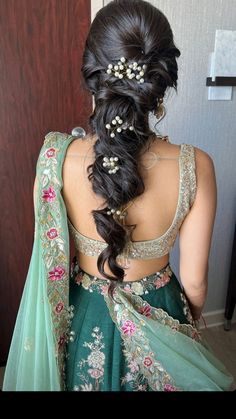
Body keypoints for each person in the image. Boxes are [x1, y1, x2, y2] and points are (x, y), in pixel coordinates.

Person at [3, 0, 234, 391]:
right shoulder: (196, 166)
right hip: (161, 313)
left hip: (85, 318)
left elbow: (50, 263)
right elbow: (195, 283)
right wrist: (184, 330)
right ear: (161, 82)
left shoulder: (55, 158)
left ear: (93, 74)